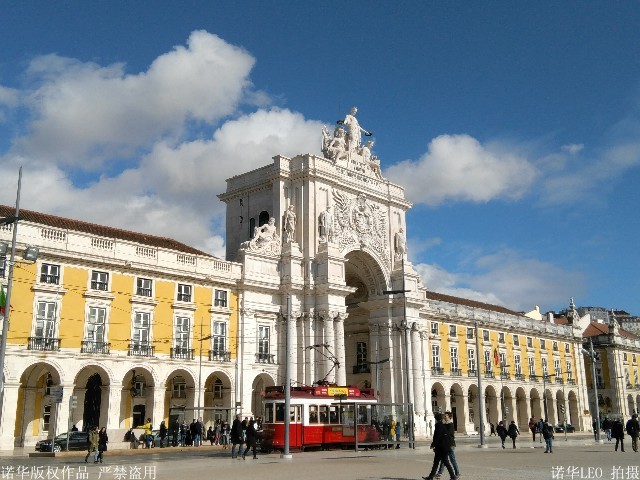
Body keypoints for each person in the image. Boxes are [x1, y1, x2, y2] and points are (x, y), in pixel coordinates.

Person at [422, 413, 455, 480]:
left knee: (443, 462)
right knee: (438, 462)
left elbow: (437, 436)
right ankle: (431, 477)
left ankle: (453, 476)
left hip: (441, 448)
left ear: (436, 418)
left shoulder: (438, 425)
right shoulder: (442, 425)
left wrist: (433, 444)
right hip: (444, 447)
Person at [436, 411, 460, 479]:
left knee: (452, 460)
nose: (444, 417)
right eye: (444, 416)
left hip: (450, 445)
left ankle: (457, 474)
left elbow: (446, 434)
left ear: (449, 417)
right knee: (444, 460)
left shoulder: (451, 425)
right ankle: (439, 474)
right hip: (445, 445)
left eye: (446, 416)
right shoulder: (445, 424)